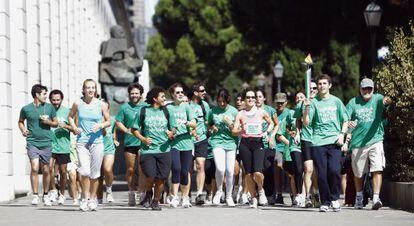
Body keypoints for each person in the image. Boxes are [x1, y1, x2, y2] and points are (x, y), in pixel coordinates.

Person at [303, 74, 349, 212]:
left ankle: (335, 198)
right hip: (318, 142)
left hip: (335, 141)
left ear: (330, 85)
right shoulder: (313, 102)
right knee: (322, 174)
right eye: (320, 84)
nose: (322, 86)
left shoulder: (336, 101)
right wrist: (306, 108)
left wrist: (342, 134)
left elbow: (345, 120)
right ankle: (326, 201)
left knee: (334, 170)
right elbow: (306, 122)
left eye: (324, 83)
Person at [345, 78, 392, 210]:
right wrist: (349, 125)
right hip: (358, 143)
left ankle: (376, 198)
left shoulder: (377, 99)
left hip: (375, 140)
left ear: (373, 89)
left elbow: (385, 102)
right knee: (358, 173)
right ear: (360, 89)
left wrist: (387, 101)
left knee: (377, 168)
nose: (366, 91)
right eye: (364, 88)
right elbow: (346, 120)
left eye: (369, 89)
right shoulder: (353, 103)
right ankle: (359, 197)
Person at [68, 79, 111, 211]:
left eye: (93, 88)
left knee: (95, 173)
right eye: (88, 88)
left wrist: (101, 125)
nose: (91, 90)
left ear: (96, 90)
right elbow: (70, 116)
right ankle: (84, 198)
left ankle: (92, 199)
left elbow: (109, 121)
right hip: (82, 142)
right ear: (84, 89)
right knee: (84, 171)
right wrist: (75, 127)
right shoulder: (78, 103)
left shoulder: (101, 105)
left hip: (97, 143)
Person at [131, 87, 174, 211]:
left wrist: (171, 134)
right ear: (155, 98)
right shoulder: (143, 111)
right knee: (150, 174)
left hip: (164, 150)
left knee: (161, 177)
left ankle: (155, 201)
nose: (164, 99)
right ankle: (149, 192)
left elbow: (173, 130)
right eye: (162, 96)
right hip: (148, 150)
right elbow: (134, 129)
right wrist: (143, 139)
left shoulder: (166, 111)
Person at [232, 88, 274, 208]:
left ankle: (261, 190)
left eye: (252, 97)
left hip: (258, 143)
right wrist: (241, 129)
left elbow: (272, 123)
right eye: (248, 97)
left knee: (257, 173)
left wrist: (267, 132)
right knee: (249, 174)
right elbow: (234, 131)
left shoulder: (261, 112)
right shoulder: (240, 114)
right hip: (245, 144)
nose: (250, 99)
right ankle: (253, 198)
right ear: (245, 100)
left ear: (255, 99)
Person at [18, 84, 58, 206]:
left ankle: (45, 195)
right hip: (32, 142)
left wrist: (48, 122)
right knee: (35, 167)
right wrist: (23, 130)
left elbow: (56, 123)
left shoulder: (50, 108)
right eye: (44, 94)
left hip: (46, 142)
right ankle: (35, 195)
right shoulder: (26, 109)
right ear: (37, 95)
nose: (46, 96)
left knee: (46, 170)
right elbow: (20, 122)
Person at [115, 83, 147, 206]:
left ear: (140, 94)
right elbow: (118, 122)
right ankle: (131, 193)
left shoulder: (146, 106)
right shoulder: (124, 107)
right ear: (129, 94)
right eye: (132, 93)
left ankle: (142, 193)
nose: (134, 95)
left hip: (143, 142)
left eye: (136, 93)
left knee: (142, 169)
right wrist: (126, 130)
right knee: (130, 169)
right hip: (129, 142)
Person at [167, 83, 197, 208]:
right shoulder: (168, 108)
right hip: (174, 143)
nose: (180, 94)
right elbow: (165, 125)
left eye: (181, 92)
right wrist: (169, 133)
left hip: (187, 143)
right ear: (172, 94)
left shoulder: (187, 107)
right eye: (177, 92)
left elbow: (194, 123)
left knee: (185, 172)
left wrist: (186, 123)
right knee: (176, 168)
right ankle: (174, 196)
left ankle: (185, 197)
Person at [208, 88, 239, 207]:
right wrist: (212, 127)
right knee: (220, 169)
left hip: (231, 142)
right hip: (217, 142)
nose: (221, 104)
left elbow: (236, 130)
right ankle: (219, 191)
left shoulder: (234, 111)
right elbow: (209, 123)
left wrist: (229, 124)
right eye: (219, 101)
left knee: (230, 171)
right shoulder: (213, 111)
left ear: (228, 100)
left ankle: (229, 196)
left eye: (224, 101)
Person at [293, 82, 320, 207]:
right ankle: (308, 196)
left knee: (317, 171)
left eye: (315, 88)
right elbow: (298, 119)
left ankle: (316, 191)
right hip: (306, 139)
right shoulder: (301, 104)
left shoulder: (322, 102)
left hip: (321, 139)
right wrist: (298, 133)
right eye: (311, 88)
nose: (313, 90)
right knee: (308, 169)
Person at [48, 89, 73, 205]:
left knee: (63, 172)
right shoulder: (46, 111)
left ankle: (62, 194)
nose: (56, 102)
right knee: (48, 168)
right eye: (53, 100)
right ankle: (53, 190)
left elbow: (75, 129)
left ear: (61, 99)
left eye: (58, 100)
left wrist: (66, 126)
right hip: (49, 144)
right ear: (50, 100)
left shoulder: (68, 112)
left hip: (63, 146)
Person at [189, 82, 211, 205]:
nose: (204, 93)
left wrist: (211, 127)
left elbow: (208, 121)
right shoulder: (187, 105)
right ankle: (185, 194)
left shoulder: (205, 105)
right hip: (188, 141)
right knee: (187, 169)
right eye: (202, 91)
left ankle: (199, 194)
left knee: (200, 165)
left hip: (202, 140)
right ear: (195, 93)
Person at [255, 89, 279, 204]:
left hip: (269, 143)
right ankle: (259, 194)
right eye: (256, 97)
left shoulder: (270, 110)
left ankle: (270, 195)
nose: (257, 99)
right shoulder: (251, 111)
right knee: (258, 170)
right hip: (256, 144)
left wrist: (272, 136)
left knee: (268, 169)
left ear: (264, 98)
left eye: (260, 96)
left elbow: (276, 124)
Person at [98, 99, 118, 204]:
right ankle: (98, 196)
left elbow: (113, 132)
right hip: (97, 148)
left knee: (107, 169)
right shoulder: (94, 119)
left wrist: (115, 139)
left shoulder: (113, 119)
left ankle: (109, 190)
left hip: (109, 148)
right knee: (98, 174)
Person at [273, 92, 291, 204]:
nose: (280, 105)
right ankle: (279, 194)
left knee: (290, 171)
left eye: (282, 103)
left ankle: (293, 193)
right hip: (276, 145)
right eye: (278, 103)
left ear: (286, 102)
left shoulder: (290, 113)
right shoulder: (273, 113)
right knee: (278, 165)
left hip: (289, 145)